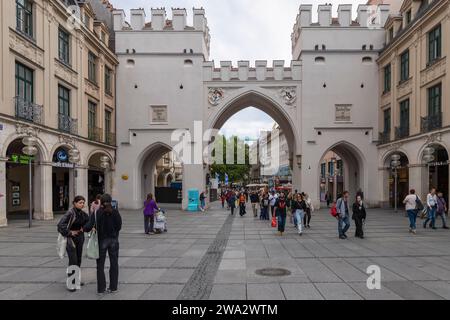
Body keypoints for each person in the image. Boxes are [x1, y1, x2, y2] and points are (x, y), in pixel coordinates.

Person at [84, 194, 122, 295]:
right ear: (110, 201)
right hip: (114, 240)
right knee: (114, 264)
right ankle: (113, 287)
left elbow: (88, 226)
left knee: (100, 265)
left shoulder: (97, 212)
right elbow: (119, 226)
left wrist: (83, 228)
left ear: (101, 201)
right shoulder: (115, 212)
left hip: (101, 241)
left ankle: (101, 289)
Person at [57, 196, 90, 292]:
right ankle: (71, 283)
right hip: (70, 239)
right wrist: (70, 233)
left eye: (83, 202)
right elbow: (60, 225)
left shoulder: (84, 214)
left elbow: (89, 223)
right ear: (74, 203)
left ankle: (76, 280)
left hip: (80, 238)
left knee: (78, 259)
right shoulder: (70, 213)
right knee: (73, 260)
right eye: (80, 202)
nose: (82, 204)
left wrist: (85, 228)